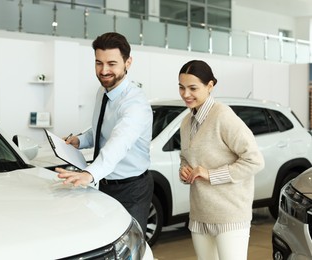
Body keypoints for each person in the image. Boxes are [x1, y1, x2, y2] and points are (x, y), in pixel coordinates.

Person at [55, 32, 154, 233]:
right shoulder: (103, 92)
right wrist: (80, 140)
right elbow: (103, 129)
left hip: (131, 188)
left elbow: (119, 142)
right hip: (106, 183)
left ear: (128, 62)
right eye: (98, 63)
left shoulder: (135, 103)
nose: (103, 70)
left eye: (111, 63)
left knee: (130, 247)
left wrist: (90, 173)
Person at [178, 60, 265, 260]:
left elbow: (255, 161)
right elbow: (186, 157)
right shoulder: (186, 121)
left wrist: (210, 174)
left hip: (230, 215)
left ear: (210, 86)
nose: (185, 94)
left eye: (193, 88)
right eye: (181, 87)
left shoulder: (223, 116)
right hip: (200, 214)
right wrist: (184, 170)